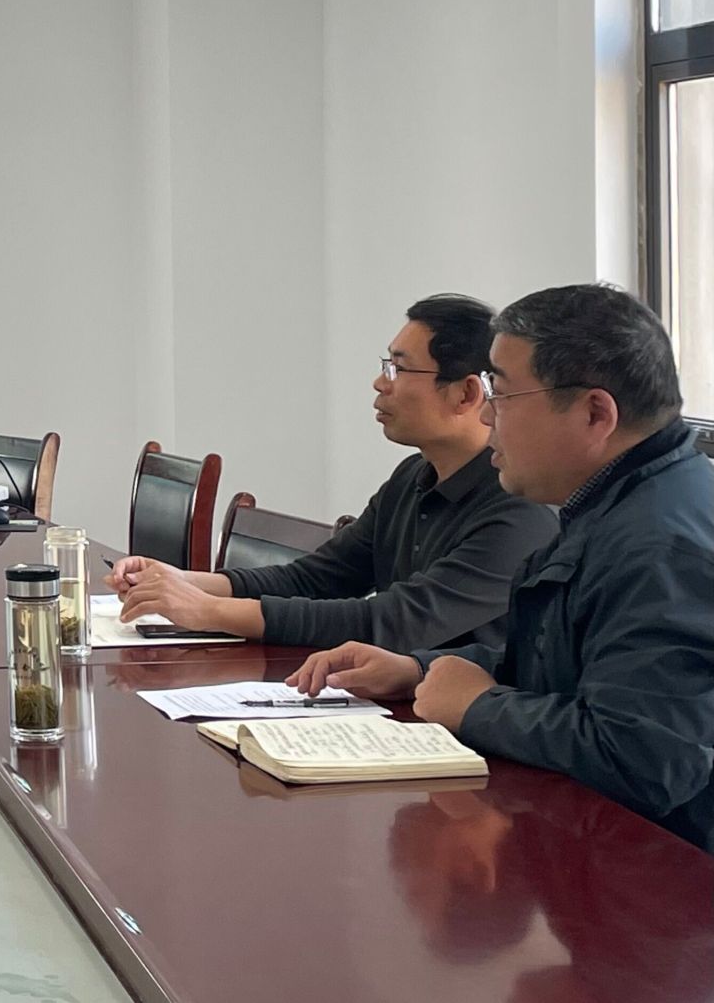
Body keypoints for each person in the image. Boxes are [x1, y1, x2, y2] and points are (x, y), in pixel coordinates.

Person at [290, 284, 714, 852]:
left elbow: (644, 758)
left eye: (504, 394)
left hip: (663, 881)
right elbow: (572, 667)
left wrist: (478, 707)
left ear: (595, 413)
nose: (487, 415)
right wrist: (420, 670)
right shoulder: (617, 504)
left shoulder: (662, 546)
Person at [108, 296, 558, 651]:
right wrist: (182, 581)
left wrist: (209, 611)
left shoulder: (519, 509)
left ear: (466, 393)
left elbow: (391, 622)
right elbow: (316, 579)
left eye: (399, 368)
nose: (380, 383)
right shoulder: (413, 477)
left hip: (454, 729)